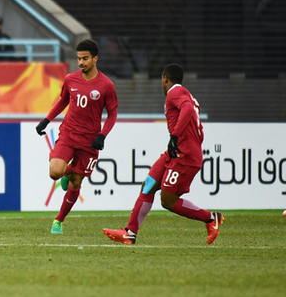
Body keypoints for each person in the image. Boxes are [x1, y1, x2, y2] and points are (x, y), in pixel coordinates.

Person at [103, 64, 223, 245]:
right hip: (175, 152)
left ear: (165, 78)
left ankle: (210, 218)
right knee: (148, 184)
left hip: (185, 156)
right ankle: (130, 232)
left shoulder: (174, 93)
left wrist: (175, 136)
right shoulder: (184, 94)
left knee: (168, 201)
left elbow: (188, 111)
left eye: (161, 79)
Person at [36, 39, 118, 234]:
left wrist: (102, 135)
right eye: (79, 58)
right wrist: (46, 120)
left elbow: (112, 114)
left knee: (76, 182)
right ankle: (68, 172)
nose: (81, 62)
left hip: (90, 141)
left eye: (85, 58)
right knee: (55, 172)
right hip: (69, 134)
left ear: (95, 58)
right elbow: (62, 100)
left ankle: (58, 220)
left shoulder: (106, 85)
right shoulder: (70, 79)